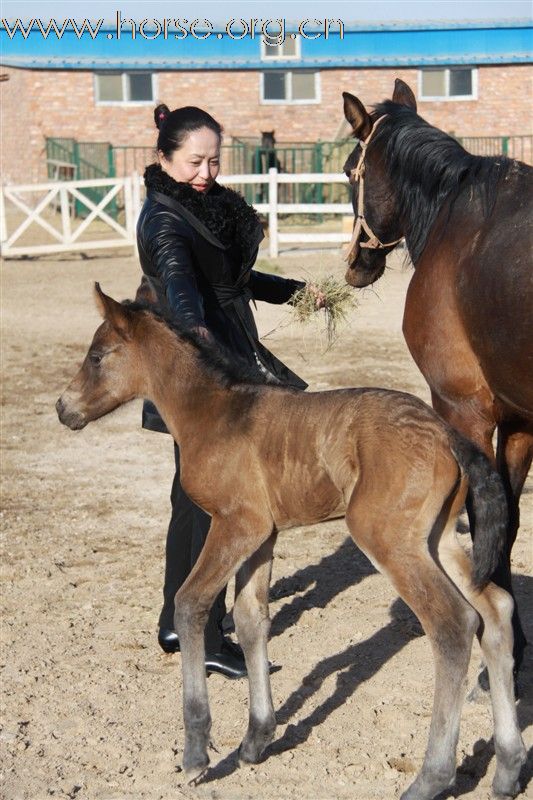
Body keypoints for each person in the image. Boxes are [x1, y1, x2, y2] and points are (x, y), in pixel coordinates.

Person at [136, 103, 321, 679]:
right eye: (194, 161)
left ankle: (176, 618)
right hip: (199, 368)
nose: (206, 172)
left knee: (190, 494)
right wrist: (199, 342)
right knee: (213, 499)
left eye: (214, 160)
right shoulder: (164, 218)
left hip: (214, 352)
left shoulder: (203, 206)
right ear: (164, 157)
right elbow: (181, 286)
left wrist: (297, 292)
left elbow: (229, 280)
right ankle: (204, 630)